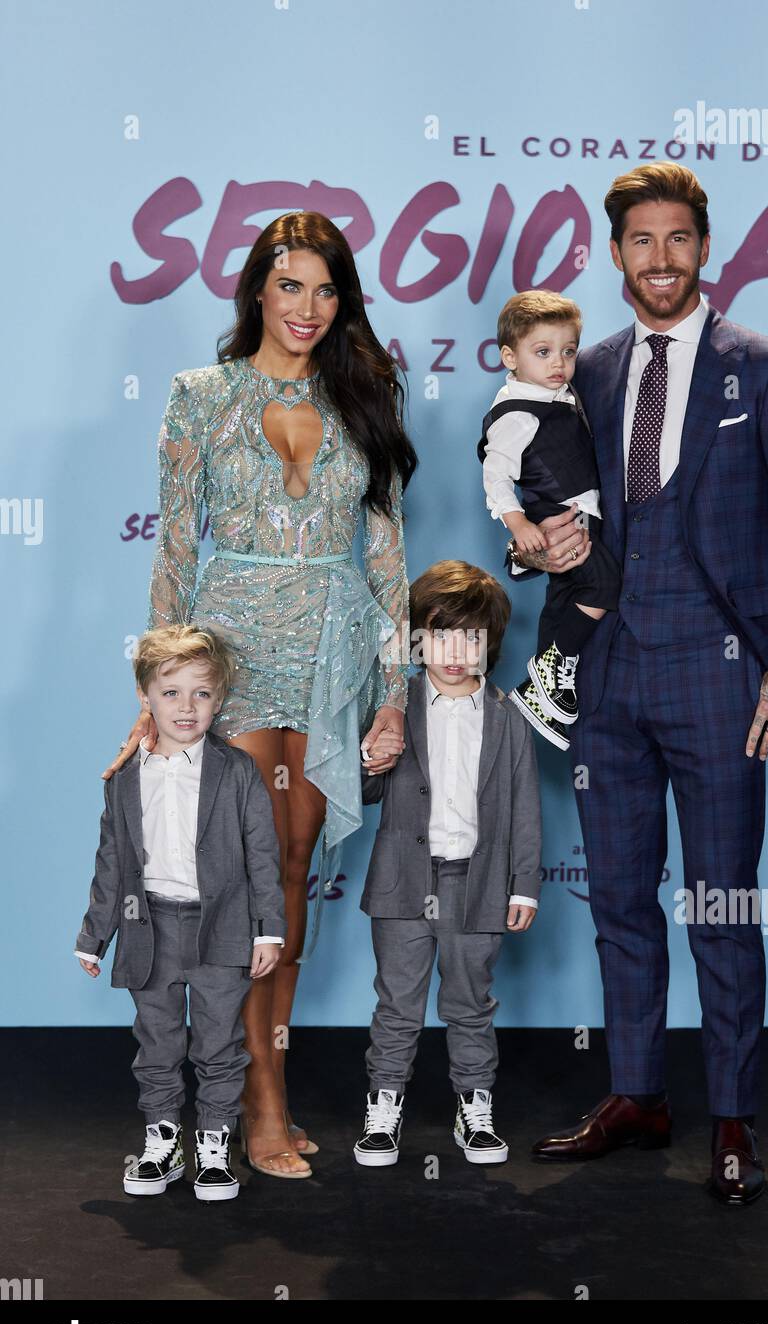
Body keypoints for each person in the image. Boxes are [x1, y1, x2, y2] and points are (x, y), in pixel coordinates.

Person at [507, 163, 768, 1204]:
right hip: (604, 678)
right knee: (616, 899)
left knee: (721, 903)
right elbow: (547, 501)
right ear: (614, 255)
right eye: (639, 242)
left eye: (677, 240)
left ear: (705, 248)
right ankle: (637, 1094)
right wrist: (534, 550)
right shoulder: (588, 370)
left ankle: (731, 1115)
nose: (659, 259)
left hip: (721, 672)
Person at [102, 212, 417, 1177]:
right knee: (233, 872)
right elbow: (175, 548)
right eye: (290, 287)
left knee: (288, 865)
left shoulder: (363, 391)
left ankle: (257, 1075)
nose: (308, 308)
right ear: (256, 292)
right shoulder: (201, 397)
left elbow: (387, 552)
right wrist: (161, 691)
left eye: (326, 290)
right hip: (228, 650)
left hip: (330, 649)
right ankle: (256, 1102)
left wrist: (394, 691)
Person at [75, 626, 302, 1199]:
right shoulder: (125, 778)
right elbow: (111, 862)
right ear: (144, 697)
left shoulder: (237, 771)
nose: (186, 707)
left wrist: (268, 930)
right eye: (171, 692)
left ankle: (215, 1147)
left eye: (201, 694)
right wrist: (93, 936)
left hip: (221, 930)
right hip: (148, 927)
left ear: (219, 700)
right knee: (157, 1042)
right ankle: (162, 1144)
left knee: (219, 1044)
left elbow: (262, 857)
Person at [352, 561, 542, 1167]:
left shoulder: (509, 716)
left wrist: (525, 887)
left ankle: (474, 1107)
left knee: (470, 1002)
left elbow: (525, 808)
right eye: (438, 634)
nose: (454, 652)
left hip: (479, 885)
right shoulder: (394, 705)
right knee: (397, 1003)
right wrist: (368, 763)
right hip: (405, 882)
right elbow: (364, 790)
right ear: (415, 639)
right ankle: (383, 1111)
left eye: (470, 638)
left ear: (491, 645)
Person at [478, 291, 621, 749]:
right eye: (542, 352)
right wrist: (520, 526)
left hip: (586, 514)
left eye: (568, 351)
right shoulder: (516, 413)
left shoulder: (561, 394)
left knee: (566, 598)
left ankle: (543, 694)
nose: (558, 362)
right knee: (602, 584)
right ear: (509, 357)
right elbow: (496, 476)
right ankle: (550, 667)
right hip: (559, 519)